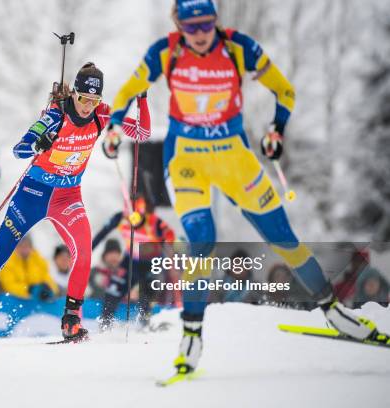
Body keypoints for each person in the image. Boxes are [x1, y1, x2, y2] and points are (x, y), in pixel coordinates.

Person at [108, 0, 389, 375]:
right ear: (178, 24)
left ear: (215, 21)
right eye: (192, 28)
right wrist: (113, 125)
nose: (201, 34)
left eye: (207, 25)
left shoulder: (239, 48)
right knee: (202, 240)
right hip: (186, 161)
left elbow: (284, 91)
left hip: (234, 159)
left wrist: (277, 129)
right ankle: (192, 337)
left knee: (282, 237)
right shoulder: (166, 51)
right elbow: (127, 90)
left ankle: (336, 315)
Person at [0, 62, 150, 343]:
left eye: (94, 101)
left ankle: (71, 320)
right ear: (74, 95)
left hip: (67, 198)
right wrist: (37, 143)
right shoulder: (55, 115)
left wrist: (141, 98)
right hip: (32, 195)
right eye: (83, 99)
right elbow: (19, 149)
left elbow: (142, 133)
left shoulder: (102, 116)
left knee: (84, 250)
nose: (87, 107)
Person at [92, 194, 175, 325]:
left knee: (147, 294)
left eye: (136, 219)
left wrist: (165, 246)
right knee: (113, 290)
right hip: (130, 261)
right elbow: (102, 233)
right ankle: (105, 324)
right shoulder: (119, 218)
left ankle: (145, 325)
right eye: (128, 218)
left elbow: (170, 237)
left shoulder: (154, 222)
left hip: (151, 262)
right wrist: (88, 250)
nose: (131, 223)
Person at [0, 235, 58, 300]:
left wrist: (49, 288)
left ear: (31, 247)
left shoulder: (38, 261)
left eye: (26, 246)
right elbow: (8, 285)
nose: (23, 249)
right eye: (20, 246)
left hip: (35, 302)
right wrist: (28, 289)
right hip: (14, 301)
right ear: (15, 247)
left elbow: (48, 279)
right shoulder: (7, 263)